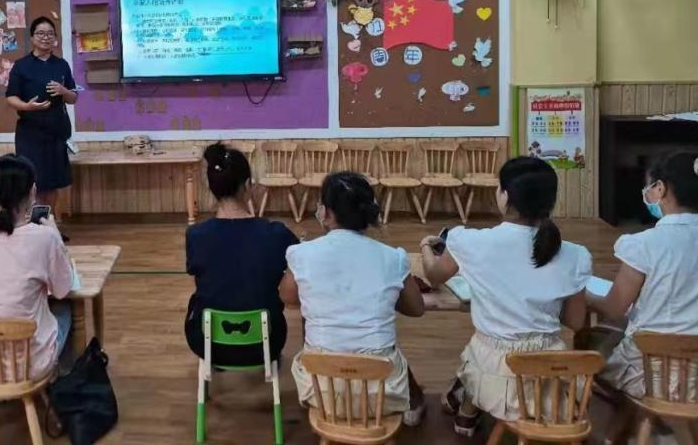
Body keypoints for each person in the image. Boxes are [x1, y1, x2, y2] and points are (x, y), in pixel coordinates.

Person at [420, 156, 591, 437]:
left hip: (496, 378)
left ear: (505, 196)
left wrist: (426, 247)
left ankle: (467, 406)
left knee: (481, 355)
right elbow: (575, 321)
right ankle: (465, 406)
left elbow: (434, 275)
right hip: (549, 378)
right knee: (486, 359)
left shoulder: (469, 241)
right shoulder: (575, 254)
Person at [279, 172, 427, 426]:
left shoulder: (302, 254)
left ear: (325, 213)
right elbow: (416, 308)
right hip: (382, 393)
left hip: (321, 390)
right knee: (391, 352)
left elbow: (287, 296)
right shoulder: (393, 257)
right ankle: (414, 404)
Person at [583, 151, 698, 405]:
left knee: (594, 347)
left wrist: (585, 296)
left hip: (651, 375)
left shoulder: (644, 244)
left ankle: (635, 420)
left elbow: (614, 308)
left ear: (660, 188)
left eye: (649, 186)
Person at [0, 154, 75, 384]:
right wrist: (56, 235)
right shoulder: (45, 237)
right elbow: (63, 289)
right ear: (33, 192)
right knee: (66, 308)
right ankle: (62, 384)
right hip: (30, 366)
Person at [184, 143, 299, 367]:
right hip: (269, 342)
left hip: (208, 343)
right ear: (248, 186)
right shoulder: (276, 233)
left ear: (211, 188)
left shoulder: (196, 235)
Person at [6, 16, 78, 214]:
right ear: (32, 38)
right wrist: (27, 107)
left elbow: (73, 98)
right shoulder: (21, 65)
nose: (46, 37)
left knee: (53, 182)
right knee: (33, 182)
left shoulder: (61, 65)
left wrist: (64, 91)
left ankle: (48, 222)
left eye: (50, 34)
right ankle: (33, 224)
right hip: (30, 133)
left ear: (55, 38)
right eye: (40, 33)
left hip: (56, 132)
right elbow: (11, 97)